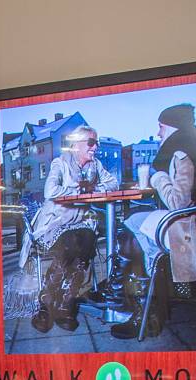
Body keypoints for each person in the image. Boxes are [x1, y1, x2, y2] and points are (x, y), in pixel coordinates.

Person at [113, 101, 196, 340]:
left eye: (161, 128)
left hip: (192, 231)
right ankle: (137, 292)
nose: (158, 134)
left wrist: (158, 178)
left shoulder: (180, 154)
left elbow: (178, 203)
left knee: (130, 233)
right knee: (135, 223)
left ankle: (141, 310)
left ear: (173, 128)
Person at [25, 125, 117, 333]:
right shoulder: (60, 163)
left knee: (87, 238)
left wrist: (95, 188)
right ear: (76, 145)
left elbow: (113, 183)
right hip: (56, 221)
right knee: (73, 243)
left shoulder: (96, 165)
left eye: (96, 142)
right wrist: (79, 188)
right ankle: (48, 301)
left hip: (80, 221)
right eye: (91, 142)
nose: (95, 147)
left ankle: (65, 301)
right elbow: (50, 191)